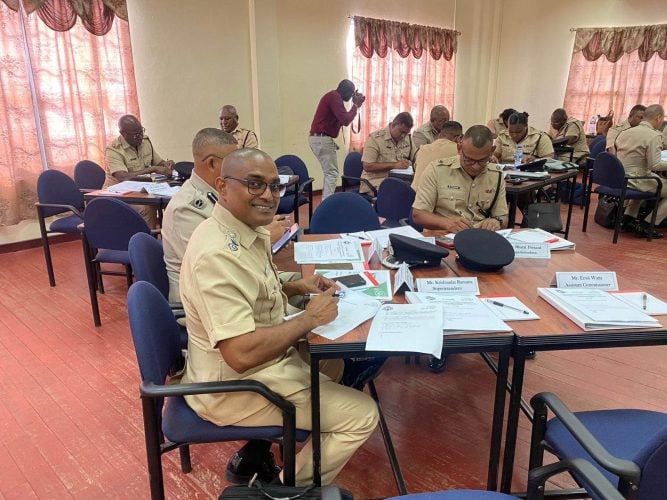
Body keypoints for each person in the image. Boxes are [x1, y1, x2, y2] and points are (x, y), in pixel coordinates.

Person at [179, 148, 379, 486]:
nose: (268, 196)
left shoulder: (243, 229)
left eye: (275, 186)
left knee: (336, 365)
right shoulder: (217, 256)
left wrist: (297, 284)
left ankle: (297, 443)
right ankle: (285, 492)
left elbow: (257, 290)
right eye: (255, 184)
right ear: (222, 186)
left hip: (265, 359)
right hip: (234, 384)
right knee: (362, 415)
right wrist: (308, 320)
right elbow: (240, 355)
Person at [412, 125, 508, 233]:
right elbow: (418, 215)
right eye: (469, 160)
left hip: (479, 238)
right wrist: (447, 223)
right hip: (443, 237)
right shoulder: (437, 170)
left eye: (482, 161)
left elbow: (503, 217)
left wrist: (496, 222)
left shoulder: (496, 175)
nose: (475, 166)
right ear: (459, 148)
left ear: (492, 151)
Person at [104, 114, 174, 227]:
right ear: (123, 134)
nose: (141, 136)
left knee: (172, 202)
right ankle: (145, 242)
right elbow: (123, 177)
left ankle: (167, 240)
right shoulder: (113, 150)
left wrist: (167, 165)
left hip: (141, 190)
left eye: (141, 131)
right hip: (119, 194)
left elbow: (158, 162)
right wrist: (152, 169)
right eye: (136, 134)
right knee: (146, 208)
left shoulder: (145, 141)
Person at [615, 104, 667, 238]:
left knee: (648, 181)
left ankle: (628, 219)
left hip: (619, 177)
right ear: (658, 118)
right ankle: (647, 225)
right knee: (649, 181)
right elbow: (655, 164)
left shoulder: (625, 132)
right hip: (636, 179)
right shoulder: (654, 136)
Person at [309, 80, 366, 199]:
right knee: (332, 173)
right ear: (346, 91)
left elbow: (342, 118)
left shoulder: (333, 97)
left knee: (329, 173)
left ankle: (326, 201)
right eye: (351, 94)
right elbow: (345, 120)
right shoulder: (334, 97)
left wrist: (355, 106)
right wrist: (355, 105)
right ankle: (327, 204)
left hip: (319, 138)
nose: (351, 97)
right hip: (321, 138)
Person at [360, 112, 417, 195]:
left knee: (419, 189)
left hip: (402, 179)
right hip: (377, 180)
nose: (403, 136)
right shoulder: (375, 139)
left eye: (406, 133)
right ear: (393, 125)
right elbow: (367, 166)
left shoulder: (407, 139)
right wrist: (394, 165)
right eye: (401, 132)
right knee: (400, 193)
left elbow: (416, 157)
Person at [412, 121, 462, 191]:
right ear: (459, 138)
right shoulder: (459, 151)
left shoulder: (422, 149)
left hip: (413, 195)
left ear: (439, 135)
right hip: (432, 198)